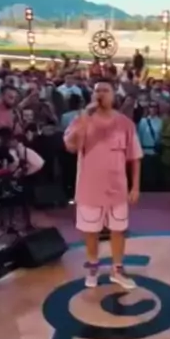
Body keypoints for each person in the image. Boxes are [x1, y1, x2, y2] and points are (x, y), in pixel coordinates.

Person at [64, 79, 142, 290]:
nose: (101, 94)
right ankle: (93, 268)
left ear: (114, 95)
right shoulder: (82, 119)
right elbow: (70, 146)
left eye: (106, 90)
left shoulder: (125, 123)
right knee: (91, 231)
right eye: (97, 90)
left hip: (117, 189)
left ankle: (117, 270)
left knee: (118, 230)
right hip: (89, 188)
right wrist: (84, 118)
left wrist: (135, 186)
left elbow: (135, 157)